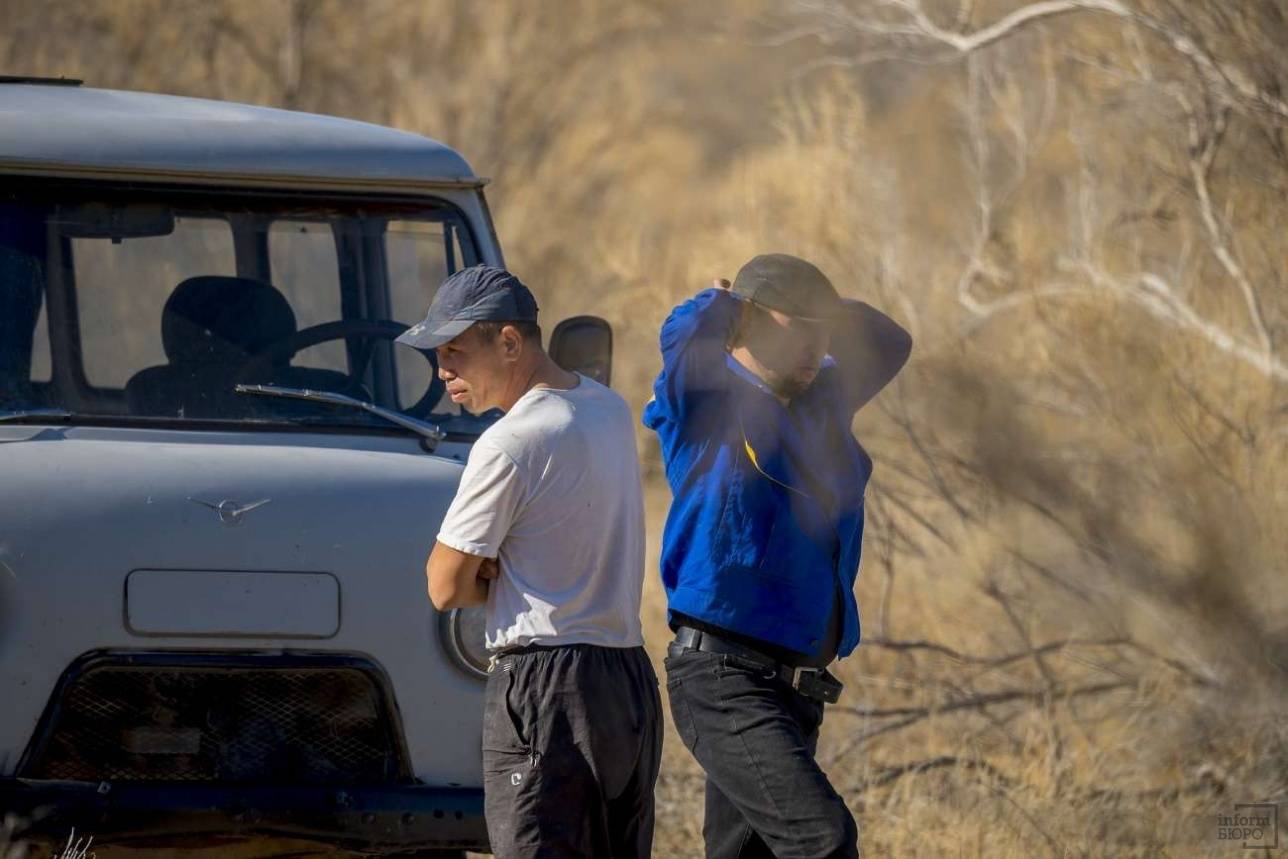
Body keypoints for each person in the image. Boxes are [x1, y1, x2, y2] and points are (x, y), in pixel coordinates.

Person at [642, 253, 912, 858]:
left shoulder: (822, 399)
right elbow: (682, 335)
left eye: (825, 333)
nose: (817, 346)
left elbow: (890, 341)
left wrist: (817, 311)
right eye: (801, 329)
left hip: (796, 683)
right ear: (752, 322)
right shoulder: (705, 397)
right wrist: (725, 305)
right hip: (723, 676)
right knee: (823, 840)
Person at [400, 264, 661, 858]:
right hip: (625, 678)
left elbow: (443, 586)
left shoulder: (509, 442)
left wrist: (487, 570)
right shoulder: (609, 410)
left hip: (546, 688)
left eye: (456, 352)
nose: (443, 373)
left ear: (511, 342)